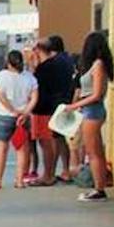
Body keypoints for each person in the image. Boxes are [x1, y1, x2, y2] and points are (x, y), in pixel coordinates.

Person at [69, 31, 113, 201]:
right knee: (95, 151)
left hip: (93, 110)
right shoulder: (96, 65)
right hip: (90, 110)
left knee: (93, 152)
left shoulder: (98, 65)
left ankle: (99, 189)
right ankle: (99, 187)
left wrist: (74, 105)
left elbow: (95, 94)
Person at [29, 38, 74, 186]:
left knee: (46, 143)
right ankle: (60, 171)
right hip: (60, 104)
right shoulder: (64, 63)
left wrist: (33, 65)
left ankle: (48, 175)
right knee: (58, 139)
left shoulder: (45, 67)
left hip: (44, 109)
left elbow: (35, 86)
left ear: (39, 50)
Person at [0, 49, 37, 189]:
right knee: (22, 149)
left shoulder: (2, 76)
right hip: (23, 117)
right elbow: (34, 97)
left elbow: (1, 96)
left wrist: (13, 111)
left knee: (2, 148)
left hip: (4, 116)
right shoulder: (29, 77)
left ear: (8, 63)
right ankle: (19, 180)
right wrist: (25, 112)